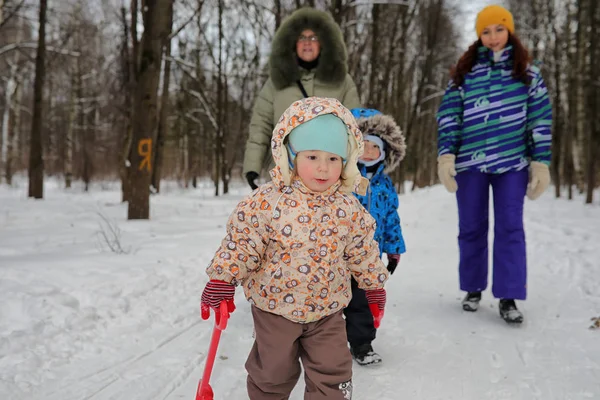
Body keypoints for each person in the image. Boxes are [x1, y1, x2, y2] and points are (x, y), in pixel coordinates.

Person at [201, 97, 389, 399]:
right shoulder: (267, 201)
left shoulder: (348, 207)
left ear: (346, 162)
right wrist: (222, 279)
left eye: (333, 158)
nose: (323, 168)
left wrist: (374, 285)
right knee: (272, 375)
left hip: (327, 312)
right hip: (274, 309)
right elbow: (243, 242)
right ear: (290, 156)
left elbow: (363, 250)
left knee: (334, 375)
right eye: (312, 156)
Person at [436, 4, 552, 324]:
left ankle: (508, 295)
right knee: (471, 227)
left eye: (499, 29)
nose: (493, 37)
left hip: (512, 163)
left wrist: (540, 162)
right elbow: (449, 117)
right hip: (470, 162)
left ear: (509, 31)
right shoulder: (464, 73)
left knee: (510, 228)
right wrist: (446, 155)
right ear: (478, 36)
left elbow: (540, 119)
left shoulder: (528, 73)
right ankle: (473, 288)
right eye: (485, 31)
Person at [243, 8, 360, 190]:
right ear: (291, 43)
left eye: (313, 38)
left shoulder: (342, 82)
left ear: (324, 43)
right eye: (302, 38)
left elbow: (354, 126)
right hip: (284, 174)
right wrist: (253, 166)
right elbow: (261, 126)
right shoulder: (276, 82)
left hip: (328, 177)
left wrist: (354, 166)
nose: (307, 43)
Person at [343, 108, 407, 366]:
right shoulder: (343, 178)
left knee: (363, 300)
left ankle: (361, 344)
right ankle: (326, 343)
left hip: (369, 257)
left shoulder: (385, 185)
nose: (368, 151)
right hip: (337, 254)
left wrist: (394, 248)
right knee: (331, 301)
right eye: (363, 145)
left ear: (385, 152)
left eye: (374, 146)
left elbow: (392, 218)